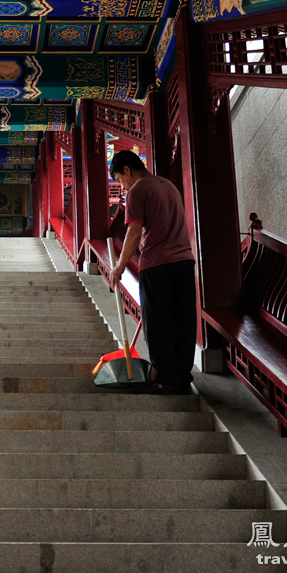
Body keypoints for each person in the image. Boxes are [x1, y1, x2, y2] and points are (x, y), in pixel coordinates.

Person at [108, 151, 197, 394]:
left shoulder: (137, 190)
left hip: (157, 264)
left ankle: (166, 378)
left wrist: (120, 265)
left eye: (118, 179)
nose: (121, 185)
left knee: (157, 323)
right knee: (183, 321)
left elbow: (134, 232)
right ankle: (181, 375)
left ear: (127, 170)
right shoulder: (168, 186)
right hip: (184, 262)